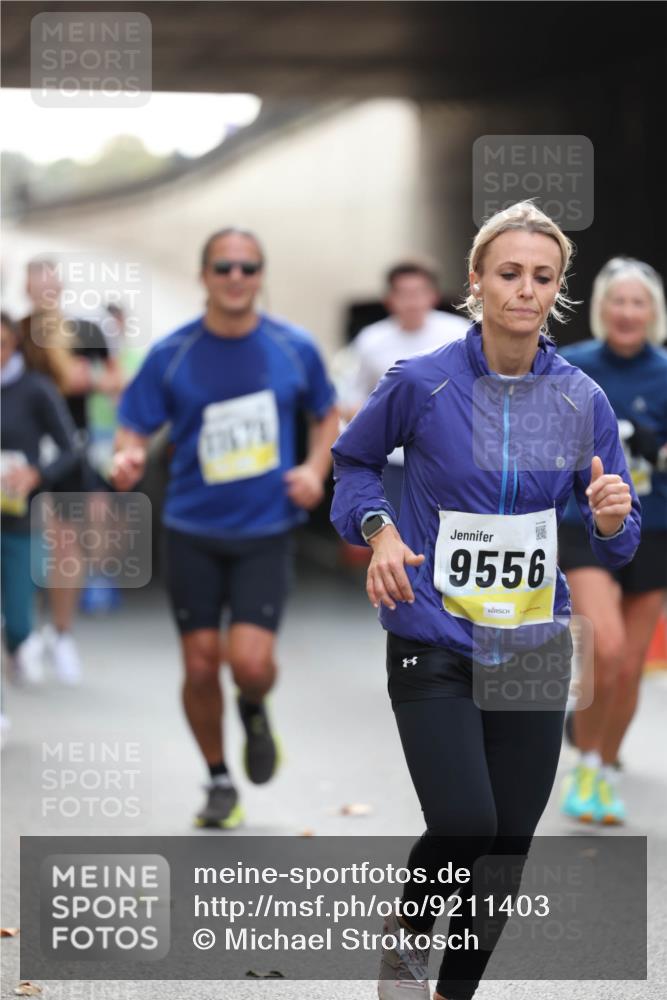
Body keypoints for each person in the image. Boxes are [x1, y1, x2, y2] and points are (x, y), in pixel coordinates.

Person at [330, 201, 640, 1000]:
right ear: (475, 282)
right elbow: (354, 464)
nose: (524, 291)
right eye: (508, 274)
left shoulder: (580, 399)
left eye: (542, 277)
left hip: (532, 643)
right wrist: (381, 531)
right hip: (431, 631)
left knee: (506, 845)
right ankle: (407, 940)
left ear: (557, 291)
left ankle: (450, 993)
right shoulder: (422, 383)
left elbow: (618, 529)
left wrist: (610, 516)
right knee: (466, 822)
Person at [112, 227, 338, 829]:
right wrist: (127, 456)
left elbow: (326, 417)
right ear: (204, 275)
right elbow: (133, 422)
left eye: (247, 267)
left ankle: (255, 710)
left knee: (251, 664)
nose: (235, 277)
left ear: (261, 275)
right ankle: (218, 779)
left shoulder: (294, 347)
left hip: (264, 530)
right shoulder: (174, 352)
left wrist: (316, 470)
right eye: (223, 267)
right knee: (200, 664)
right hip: (192, 528)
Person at [558, 257, 667, 825]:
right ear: (601, 310)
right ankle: (584, 764)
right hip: (585, 530)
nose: (627, 313)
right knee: (609, 648)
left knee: (629, 668)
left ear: (653, 313)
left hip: (655, 530)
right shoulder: (571, 367)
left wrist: (658, 451)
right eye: (617, 302)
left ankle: (600, 767)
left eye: (638, 303)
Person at [20, 259, 123, 679]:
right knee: (24, 547)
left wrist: (90, 380)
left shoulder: (85, 330)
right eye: (35, 284)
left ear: (59, 287)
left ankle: (61, 634)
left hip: (70, 451)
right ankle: (22, 635)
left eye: (50, 284)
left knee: (69, 547)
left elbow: (117, 378)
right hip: (25, 454)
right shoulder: (20, 332)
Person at [340, 260, 468, 512]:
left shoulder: (459, 334)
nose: (412, 301)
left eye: (419, 292)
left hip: (448, 458)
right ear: (389, 299)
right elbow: (350, 398)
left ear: (433, 296)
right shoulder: (370, 341)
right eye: (403, 293)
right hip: (392, 462)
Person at [1, 312, 77, 684]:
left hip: (18, 518)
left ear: (14, 343)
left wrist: (36, 474)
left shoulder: (35, 389)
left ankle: (24, 645)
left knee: (17, 621)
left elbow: (69, 449)